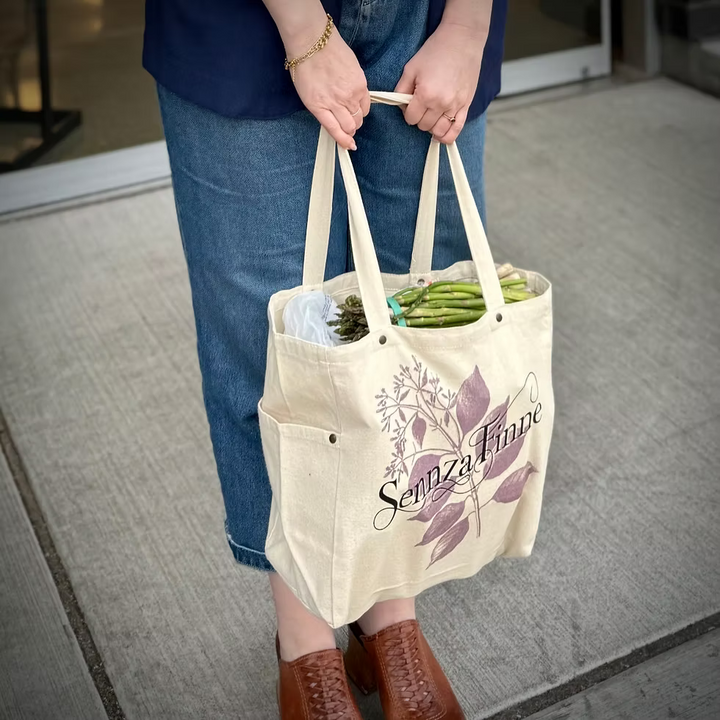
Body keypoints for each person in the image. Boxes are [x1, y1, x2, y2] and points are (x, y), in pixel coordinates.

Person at [144, 0, 507, 717]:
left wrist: (467, 25)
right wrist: (307, 31)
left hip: (431, 16)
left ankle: (388, 620)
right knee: (271, 345)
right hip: (244, 19)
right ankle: (306, 641)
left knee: (415, 340)